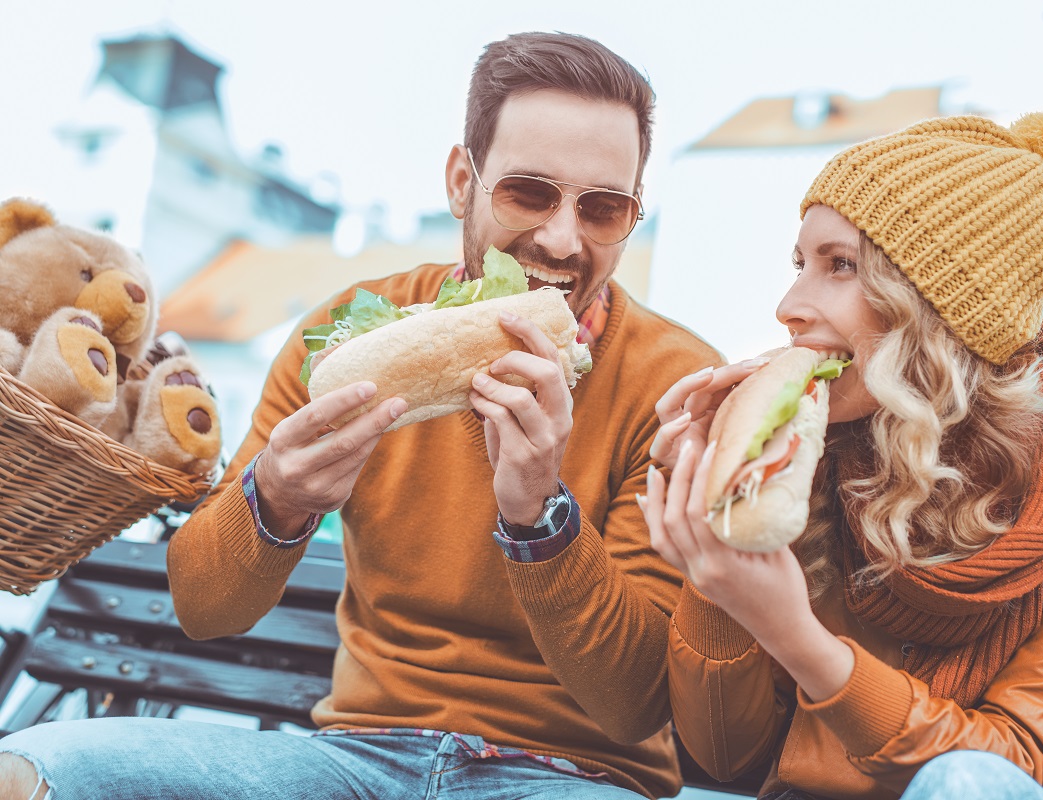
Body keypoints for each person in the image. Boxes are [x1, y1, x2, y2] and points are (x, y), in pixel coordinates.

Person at [0, 31, 729, 800]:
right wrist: (277, 499)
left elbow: (634, 706)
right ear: (461, 183)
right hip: (356, 760)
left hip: (576, 776)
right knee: (36, 773)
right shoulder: (348, 334)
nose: (560, 237)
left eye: (604, 209)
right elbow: (203, 607)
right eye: (529, 193)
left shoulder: (675, 383)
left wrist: (539, 515)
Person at [641, 112, 1043, 799]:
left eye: (840, 265)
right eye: (799, 263)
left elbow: (1010, 764)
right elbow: (725, 757)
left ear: (939, 309)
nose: (788, 305)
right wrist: (719, 546)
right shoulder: (810, 445)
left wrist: (797, 638)